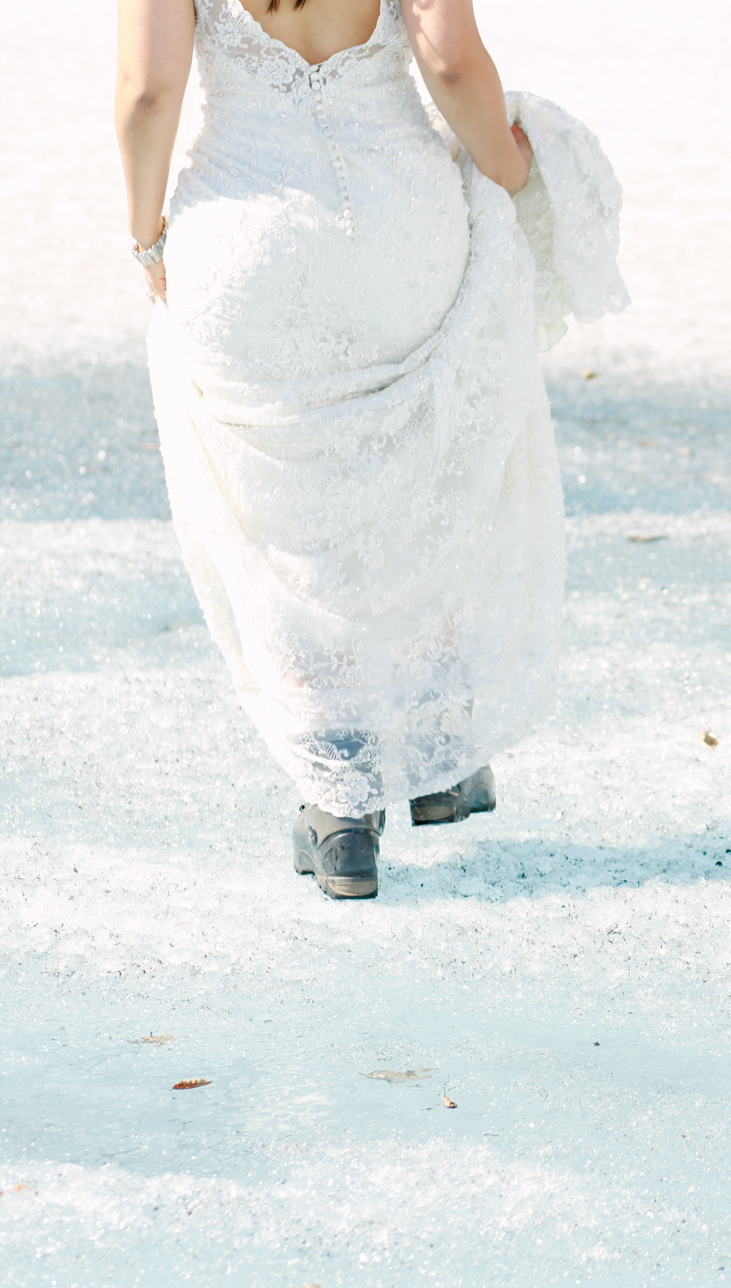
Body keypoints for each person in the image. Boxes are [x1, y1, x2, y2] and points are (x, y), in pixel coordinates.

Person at [115, 0, 627, 899]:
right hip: (399, 228)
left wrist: (146, 234)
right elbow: (454, 63)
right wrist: (511, 168)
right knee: (420, 464)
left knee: (289, 513)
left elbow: (147, 92)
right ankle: (436, 756)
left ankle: (340, 802)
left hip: (249, 240)